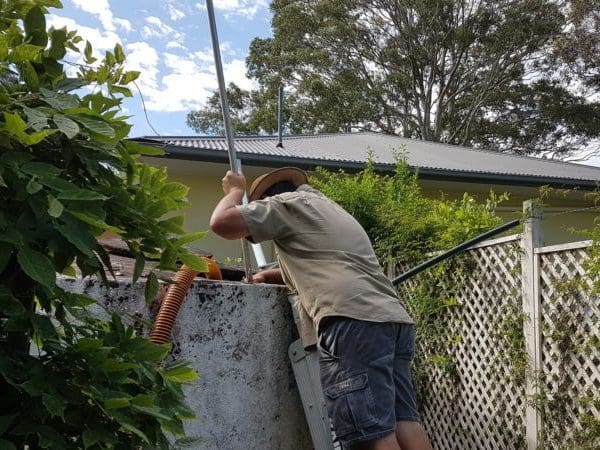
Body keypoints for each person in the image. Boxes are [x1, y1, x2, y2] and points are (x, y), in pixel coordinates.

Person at [210, 167, 432, 450]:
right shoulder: (330, 210)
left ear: (267, 199)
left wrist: (234, 192)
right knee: (405, 423)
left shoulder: (286, 205)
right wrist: (268, 275)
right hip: (392, 319)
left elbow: (222, 223)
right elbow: (318, 262)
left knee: (373, 435)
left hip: (352, 321)